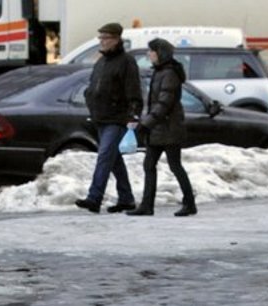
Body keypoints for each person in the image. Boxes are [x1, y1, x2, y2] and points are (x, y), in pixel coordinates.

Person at [75, 22, 142, 214]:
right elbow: (93, 86)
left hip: (117, 117)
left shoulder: (126, 61)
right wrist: (90, 98)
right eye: (100, 38)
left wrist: (134, 114)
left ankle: (94, 198)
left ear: (116, 39)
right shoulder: (101, 62)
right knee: (114, 160)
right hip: (100, 117)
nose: (102, 42)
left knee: (105, 156)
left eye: (106, 38)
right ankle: (126, 199)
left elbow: (134, 90)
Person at [127, 38, 197, 217]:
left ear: (160, 53)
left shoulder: (169, 74)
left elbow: (164, 103)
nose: (149, 54)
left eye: (151, 51)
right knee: (149, 164)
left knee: (174, 165)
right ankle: (146, 205)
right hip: (158, 128)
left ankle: (189, 203)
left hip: (169, 128)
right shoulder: (160, 72)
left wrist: (146, 123)